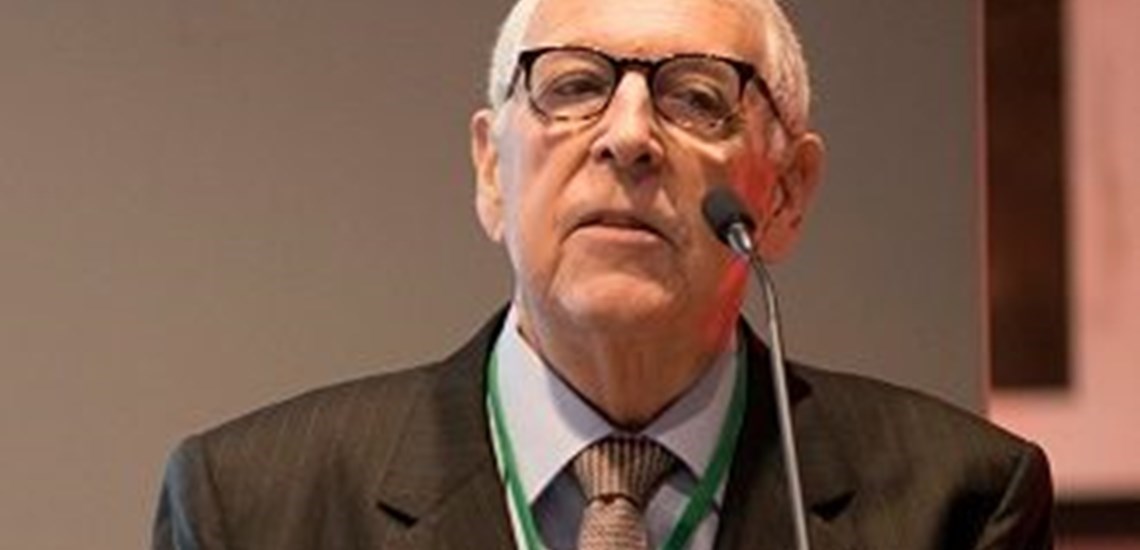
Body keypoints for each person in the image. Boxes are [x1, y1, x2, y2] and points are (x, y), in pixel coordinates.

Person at [152, 0, 1054, 547]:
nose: (627, 137)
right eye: (575, 86)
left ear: (784, 193)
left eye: (696, 96)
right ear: (492, 170)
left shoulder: (955, 505)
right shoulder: (256, 510)